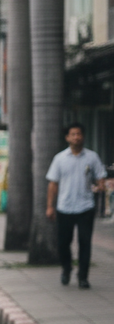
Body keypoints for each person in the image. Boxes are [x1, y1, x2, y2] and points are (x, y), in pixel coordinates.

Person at [45, 122, 106, 289]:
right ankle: (66, 268)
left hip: (86, 207)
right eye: (73, 134)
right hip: (64, 207)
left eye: (79, 134)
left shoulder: (92, 157)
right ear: (67, 138)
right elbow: (53, 184)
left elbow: (100, 177)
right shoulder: (59, 159)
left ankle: (83, 277)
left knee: (85, 242)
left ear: (83, 136)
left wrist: (100, 186)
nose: (76, 137)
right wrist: (50, 206)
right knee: (63, 243)